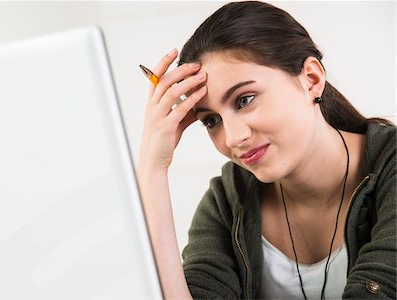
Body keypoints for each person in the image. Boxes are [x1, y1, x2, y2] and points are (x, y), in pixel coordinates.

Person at [136, 1, 396, 299]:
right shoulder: (228, 201)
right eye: (211, 120)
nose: (232, 138)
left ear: (311, 79)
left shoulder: (390, 166)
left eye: (244, 100)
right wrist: (152, 169)